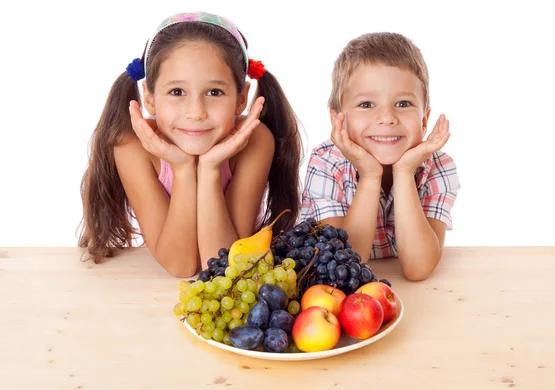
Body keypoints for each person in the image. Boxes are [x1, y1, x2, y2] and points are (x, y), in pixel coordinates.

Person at [78, 12, 302, 277]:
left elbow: (224, 267)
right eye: (177, 92)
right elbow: (181, 266)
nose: (196, 112)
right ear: (149, 97)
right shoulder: (130, 147)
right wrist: (182, 168)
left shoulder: (255, 140)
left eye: (214, 92)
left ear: (242, 98)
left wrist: (209, 169)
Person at [301, 32, 460, 281]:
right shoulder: (326, 163)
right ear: (337, 119)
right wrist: (370, 175)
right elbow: (343, 264)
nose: (387, 117)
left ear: (424, 120)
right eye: (366, 105)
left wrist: (405, 172)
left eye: (403, 103)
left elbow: (419, 268)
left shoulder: (438, 167)